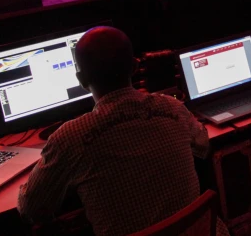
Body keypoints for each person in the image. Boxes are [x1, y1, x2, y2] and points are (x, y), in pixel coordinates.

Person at [17, 26, 229, 236]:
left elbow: (31, 209)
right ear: (135, 66)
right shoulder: (172, 109)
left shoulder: (70, 138)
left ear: (81, 80)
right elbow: (203, 145)